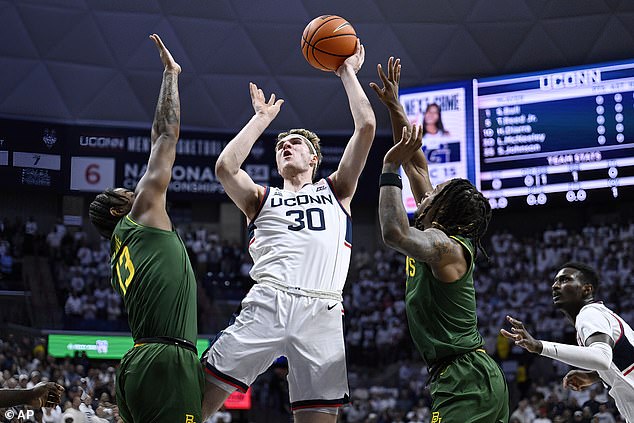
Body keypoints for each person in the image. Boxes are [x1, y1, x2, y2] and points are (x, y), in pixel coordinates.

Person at [201, 42, 375, 423]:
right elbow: (226, 167)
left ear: (314, 157)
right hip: (269, 301)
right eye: (280, 145)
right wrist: (261, 120)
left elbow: (366, 127)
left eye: (294, 143)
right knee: (195, 402)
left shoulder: (337, 189)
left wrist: (347, 73)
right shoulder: (261, 198)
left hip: (323, 309)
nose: (285, 147)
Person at [371, 56, 508, 422]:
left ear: (445, 213)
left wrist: (387, 167)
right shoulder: (440, 233)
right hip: (463, 374)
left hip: (465, 379)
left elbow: (394, 233)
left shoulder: (444, 246)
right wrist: (395, 106)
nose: (426, 194)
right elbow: (416, 164)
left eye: (436, 194)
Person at [88, 34, 203, 422]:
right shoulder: (141, 215)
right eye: (127, 191)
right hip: (166, 359)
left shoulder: (121, 246)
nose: (134, 187)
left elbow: (157, 142)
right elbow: (165, 136)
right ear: (122, 206)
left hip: (138, 362)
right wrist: (171, 75)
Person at [501, 262, 634, 422]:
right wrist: (595, 376)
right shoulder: (599, 316)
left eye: (564, 280)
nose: (555, 286)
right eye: (555, 281)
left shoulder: (590, 313)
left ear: (587, 289)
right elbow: (622, 359)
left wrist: (539, 346)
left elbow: (601, 358)